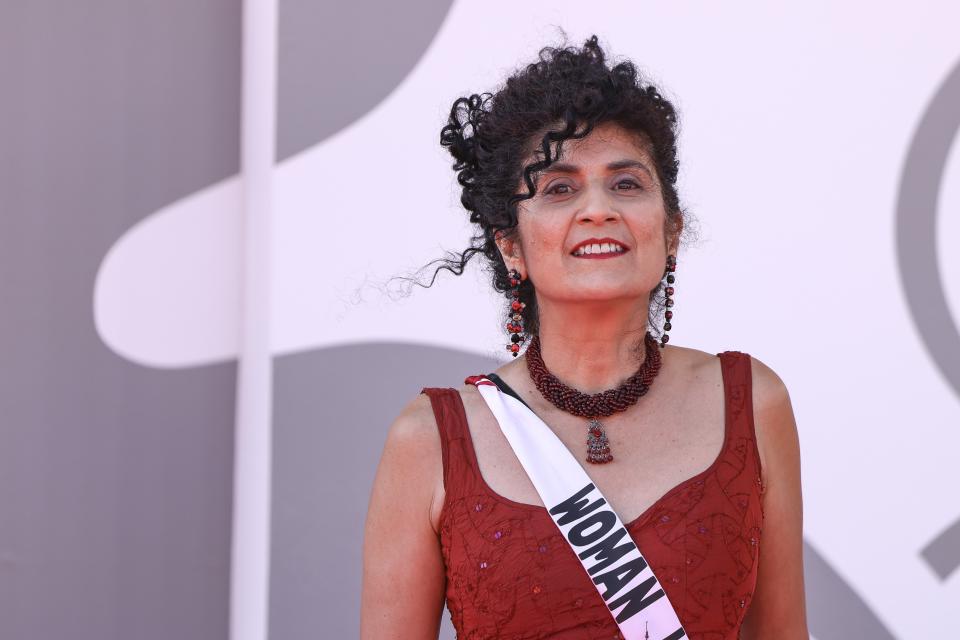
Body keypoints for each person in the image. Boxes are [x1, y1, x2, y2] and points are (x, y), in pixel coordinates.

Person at [360, 34, 808, 639]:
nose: (598, 208)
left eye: (626, 184)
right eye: (559, 188)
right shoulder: (429, 439)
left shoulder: (753, 402)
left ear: (671, 231)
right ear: (510, 246)